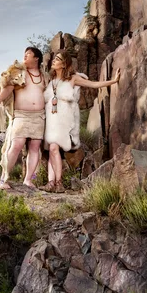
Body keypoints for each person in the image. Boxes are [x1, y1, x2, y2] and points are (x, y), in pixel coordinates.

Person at [41, 50, 120, 193]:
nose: (53, 61)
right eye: (54, 58)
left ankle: (59, 183)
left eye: (57, 59)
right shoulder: (52, 82)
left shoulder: (73, 79)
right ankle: (51, 182)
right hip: (52, 120)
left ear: (64, 64)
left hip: (65, 120)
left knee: (53, 148)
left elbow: (93, 84)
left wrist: (113, 81)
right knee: (51, 151)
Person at [0, 47, 47, 189]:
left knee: (34, 148)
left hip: (39, 116)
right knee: (16, 145)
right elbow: (8, 88)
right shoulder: (19, 72)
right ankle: (4, 179)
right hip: (21, 115)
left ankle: (28, 180)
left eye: (28, 54)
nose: (25, 56)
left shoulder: (43, 75)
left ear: (36, 58)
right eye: (24, 54)